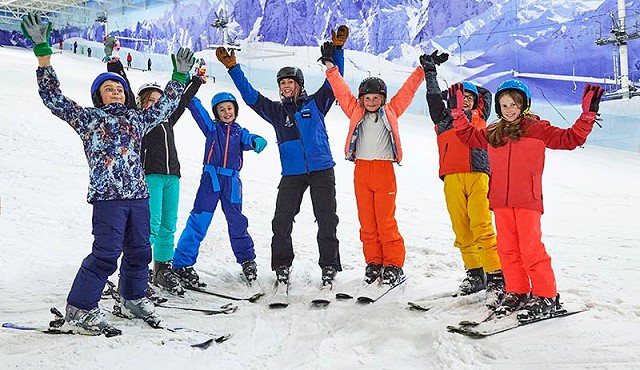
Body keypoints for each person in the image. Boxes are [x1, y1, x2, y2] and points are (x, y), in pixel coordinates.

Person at [21, 12, 194, 335]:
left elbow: (165, 107)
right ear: (98, 96)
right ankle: (80, 308)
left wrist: (179, 80)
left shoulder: (136, 119)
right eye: (108, 88)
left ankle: (131, 297)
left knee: (141, 251)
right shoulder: (88, 119)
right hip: (109, 198)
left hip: (138, 195)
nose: (115, 92)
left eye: (118, 89)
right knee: (106, 254)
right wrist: (44, 57)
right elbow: (54, 99)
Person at [451, 79, 604, 321]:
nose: (508, 109)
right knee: (507, 250)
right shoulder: (493, 132)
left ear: (524, 105)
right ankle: (517, 291)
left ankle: (546, 295)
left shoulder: (537, 128)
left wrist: (587, 116)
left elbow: (570, 139)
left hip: (527, 200)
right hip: (501, 200)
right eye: (503, 105)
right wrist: (458, 113)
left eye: (513, 104)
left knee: (530, 248)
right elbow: (468, 136)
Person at [214, 25, 349, 287]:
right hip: (292, 174)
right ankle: (282, 266)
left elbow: (336, 82)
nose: (286, 86)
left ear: (299, 85)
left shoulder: (316, 104)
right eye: (283, 83)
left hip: (322, 169)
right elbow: (250, 96)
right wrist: (233, 68)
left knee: (327, 219)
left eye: (290, 82)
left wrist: (338, 51)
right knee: (281, 221)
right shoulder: (276, 112)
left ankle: (329, 266)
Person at [103, 35, 204, 296]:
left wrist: (196, 79)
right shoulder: (138, 120)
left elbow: (181, 99)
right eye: (151, 100)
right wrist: (113, 61)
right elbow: (122, 89)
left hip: (173, 176)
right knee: (151, 224)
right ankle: (139, 269)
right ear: (141, 103)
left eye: (160, 99)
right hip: (150, 175)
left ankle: (162, 268)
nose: (157, 104)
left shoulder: (168, 120)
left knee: (168, 224)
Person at [321, 41, 423, 286]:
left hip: (384, 171)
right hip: (362, 172)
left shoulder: (391, 111)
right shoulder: (354, 111)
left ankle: (393, 265)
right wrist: (330, 67)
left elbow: (407, 92)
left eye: (376, 97)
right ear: (361, 99)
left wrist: (421, 71)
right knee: (367, 222)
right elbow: (341, 91)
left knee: (386, 221)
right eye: (367, 97)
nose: (371, 101)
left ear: (383, 99)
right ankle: (374, 262)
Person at [420, 51, 505, 306]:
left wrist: (463, 88)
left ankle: (497, 277)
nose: (465, 101)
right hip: (451, 178)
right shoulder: (443, 119)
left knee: (481, 226)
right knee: (462, 229)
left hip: (479, 175)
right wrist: (431, 72)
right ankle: (475, 274)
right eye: (460, 97)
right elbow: (433, 97)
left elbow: (486, 95)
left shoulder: (481, 116)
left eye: (469, 98)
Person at [172, 92, 268, 286]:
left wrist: (257, 140)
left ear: (235, 110)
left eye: (230, 108)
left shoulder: (240, 132)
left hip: (232, 183)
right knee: (199, 220)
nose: (226, 112)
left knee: (237, 222)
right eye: (222, 109)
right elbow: (198, 111)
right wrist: (190, 87)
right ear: (216, 112)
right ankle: (182, 263)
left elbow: (249, 139)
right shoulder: (212, 128)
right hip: (211, 179)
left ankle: (247, 259)